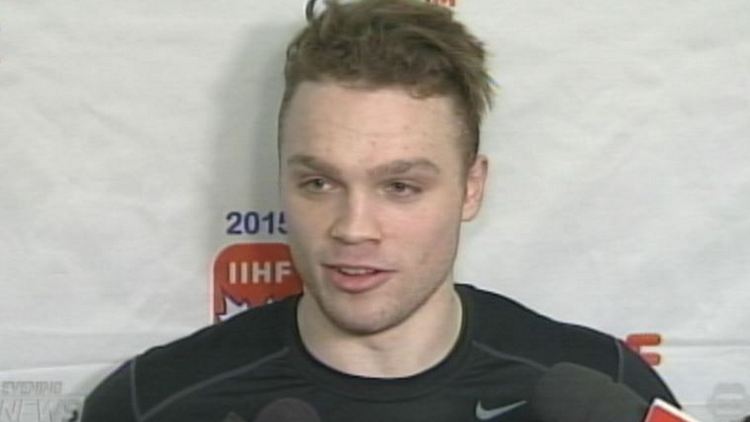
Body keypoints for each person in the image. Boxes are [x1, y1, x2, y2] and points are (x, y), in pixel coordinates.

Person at [82, 0, 677, 420]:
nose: (353, 228)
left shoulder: (607, 393)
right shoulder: (153, 402)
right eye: (319, 182)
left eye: (401, 187)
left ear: (472, 189)